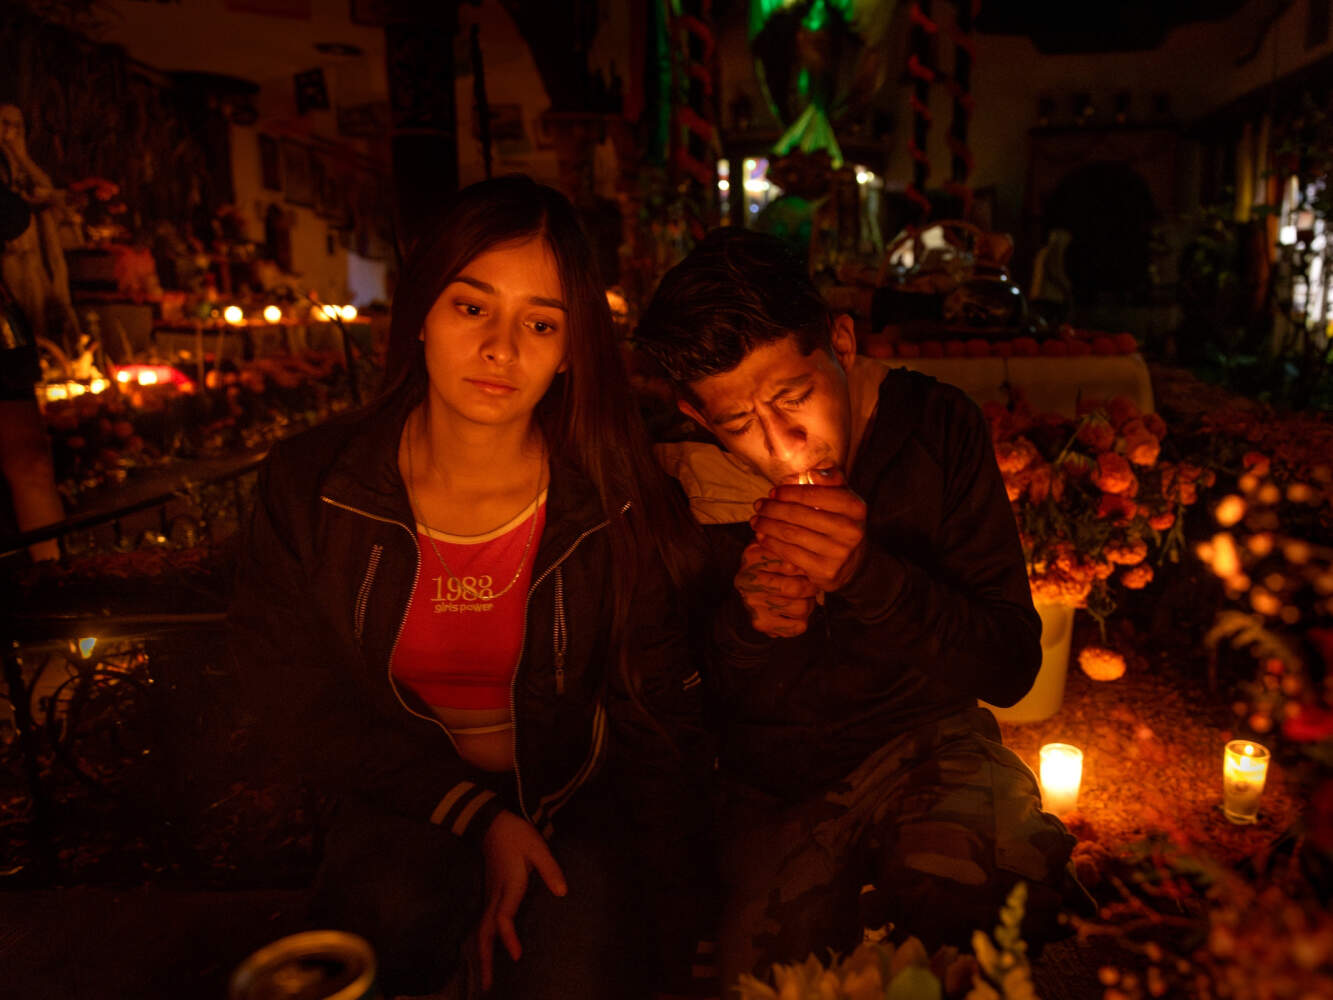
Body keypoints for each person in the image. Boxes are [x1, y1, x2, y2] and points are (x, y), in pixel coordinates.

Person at [228, 176, 712, 998]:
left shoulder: (610, 497)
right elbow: (286, 692)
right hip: (399, 799)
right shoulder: (317, 486)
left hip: (574, 804)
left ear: (570, 351)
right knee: (381, 929)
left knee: (569, 966)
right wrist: (476, 815)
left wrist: (680, 922)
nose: (500, 348)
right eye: (471, 307)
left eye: (539, 323)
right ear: (421, 312)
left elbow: (656, 713)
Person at [634, 227, 1086, 986]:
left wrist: (868, 576)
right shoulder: (682, 475)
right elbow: (676, 699)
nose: (782, 442)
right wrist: (749, 627)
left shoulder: (934, 426)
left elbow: (1010, 666)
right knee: (772, 981)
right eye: (739, 424)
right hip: (771, 781)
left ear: (841, 344)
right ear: (698, 415)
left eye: (794, 398)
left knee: (996, 929)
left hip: (931, 742)